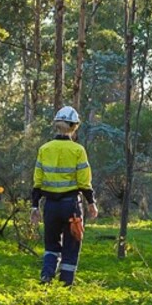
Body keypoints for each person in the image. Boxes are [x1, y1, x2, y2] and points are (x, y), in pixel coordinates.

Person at [30, 106, 98, 285]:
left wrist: (35, 206)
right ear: (74, 126)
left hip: (50, 206)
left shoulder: (44, 149)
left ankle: (46, 275)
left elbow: (37, 181)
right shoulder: (78, 150)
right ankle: (66, 284)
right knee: (72, 246)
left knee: (51, 245)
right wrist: (91, 203)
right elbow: (84, 181)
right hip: (71, 207)